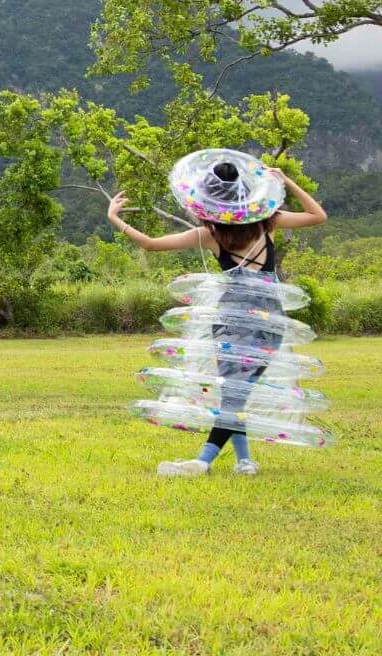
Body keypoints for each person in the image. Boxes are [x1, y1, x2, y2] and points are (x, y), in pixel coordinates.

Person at [108, 155, 326, 478]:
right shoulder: (269, 222)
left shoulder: (211, 234)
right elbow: (317, 216)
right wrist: (285, 181)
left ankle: (203, 461)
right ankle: (244, 462)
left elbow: (152, 245)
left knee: (234, 392)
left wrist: (115, 218)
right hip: (269, 320)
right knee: (235, 392)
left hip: (231, 319)